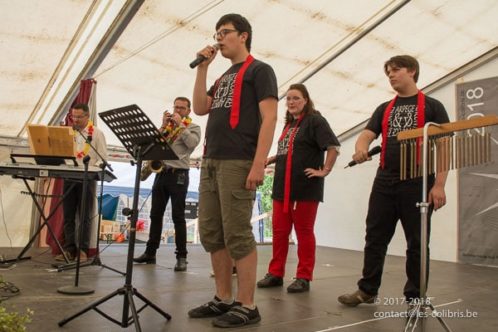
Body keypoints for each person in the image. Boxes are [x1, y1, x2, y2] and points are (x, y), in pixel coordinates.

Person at [187, 13, 278, 328]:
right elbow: (200, 107)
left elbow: (270, 118)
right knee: (213, 232)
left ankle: (247, 304)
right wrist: (203, 68)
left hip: (239, 160)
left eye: (224, 33)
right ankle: (223, 297)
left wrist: (259, 162)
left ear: (243, 36)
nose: (218, 39)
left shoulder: (260, 70)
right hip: (211, 159)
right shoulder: (222, 76)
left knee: (238, 232)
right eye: (217, 33)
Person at [337, 55, 449, 307]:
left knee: (417, 243)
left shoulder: (433, 106)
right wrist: (360, 147)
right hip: (384, 181)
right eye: (388, 71)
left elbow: (444, 147)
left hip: (418, 183)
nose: (390, 75)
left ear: (412, 71)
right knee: (375, 237)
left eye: (396, 70)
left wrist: (439, 185)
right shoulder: (384, 108)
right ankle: (367, 290)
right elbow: (366, 135)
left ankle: (415, 297)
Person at [256, 83, 340, 293]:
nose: (291, 102)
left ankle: (304, 276)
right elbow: (293, 149)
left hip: (304, 188)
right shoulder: (289, 125)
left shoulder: (315, 121)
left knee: (303, 232)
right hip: (281, 188)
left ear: (306, 100)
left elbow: (333, 146)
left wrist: (325, 170)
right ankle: (275, 273)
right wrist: (275, 157)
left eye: (296, 98)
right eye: (289, 99)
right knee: (279, 232)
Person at [133, 97, 201, 271]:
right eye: (175, 107)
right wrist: (163, 126)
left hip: (179, 174)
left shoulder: (193, 128)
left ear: (188, 111)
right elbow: (153, 145)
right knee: (155, 214)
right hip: (161, 172)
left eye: (182, 108)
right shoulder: (168, 128)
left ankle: (181, 257)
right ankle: (150, 252)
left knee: (178, 217)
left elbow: (192, 144)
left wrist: (181, 126)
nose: (177, 110)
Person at [55, 103, 108, 263]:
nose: (75, 120)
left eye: (79, 117)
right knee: (69, 215)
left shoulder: (96, 134)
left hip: (87, 178)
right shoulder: (69, 133)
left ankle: (83, 250)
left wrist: (93, 169)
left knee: (85, 216)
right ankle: (70, 249)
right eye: (73, 116)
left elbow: (102, 158)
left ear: (87, 116)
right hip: (69, 177)